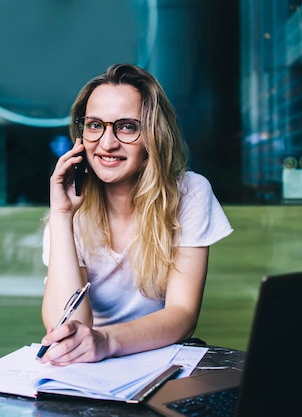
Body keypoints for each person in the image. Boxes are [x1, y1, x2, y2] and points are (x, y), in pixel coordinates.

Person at [39, 63, 232, 366]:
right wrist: (62, 216)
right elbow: (66, 325)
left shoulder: (189, 193)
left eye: (126, 126)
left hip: (156, 358)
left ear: (153, 135)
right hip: (89, 363)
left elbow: (182, 315)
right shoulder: (69, 205)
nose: (107, 142)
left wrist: (107, 340)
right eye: (94, 125)